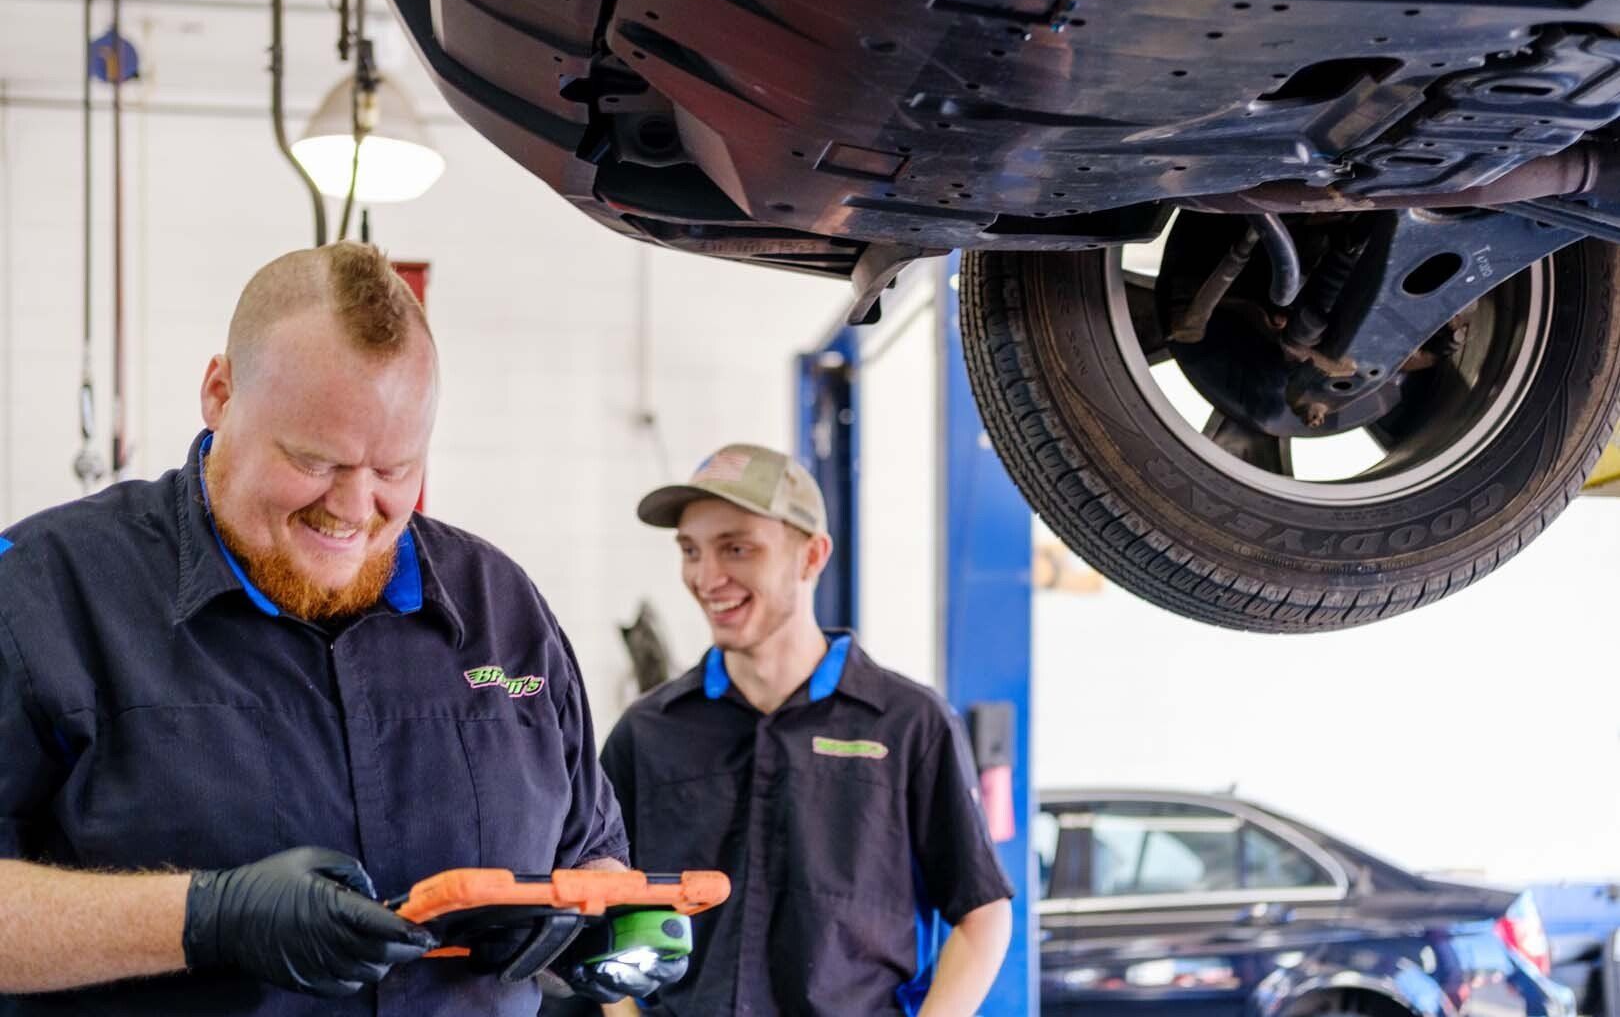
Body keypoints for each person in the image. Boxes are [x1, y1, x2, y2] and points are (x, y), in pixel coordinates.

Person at [0, 243, 677, 1014]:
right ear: (220, 394)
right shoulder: (46, 592)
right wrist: (202, 919)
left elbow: (590, 853)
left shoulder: (502, 610)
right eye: (316, 460)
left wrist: (604, 928)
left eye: (395, 469)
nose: (355, 509)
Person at [601, 444, 1014, 1016]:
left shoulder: (907, 724)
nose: (706, 576)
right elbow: (608, 901)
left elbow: (983, 910)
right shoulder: (647, 733)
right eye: (691, 550)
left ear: (811, 556)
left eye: (737, 548)